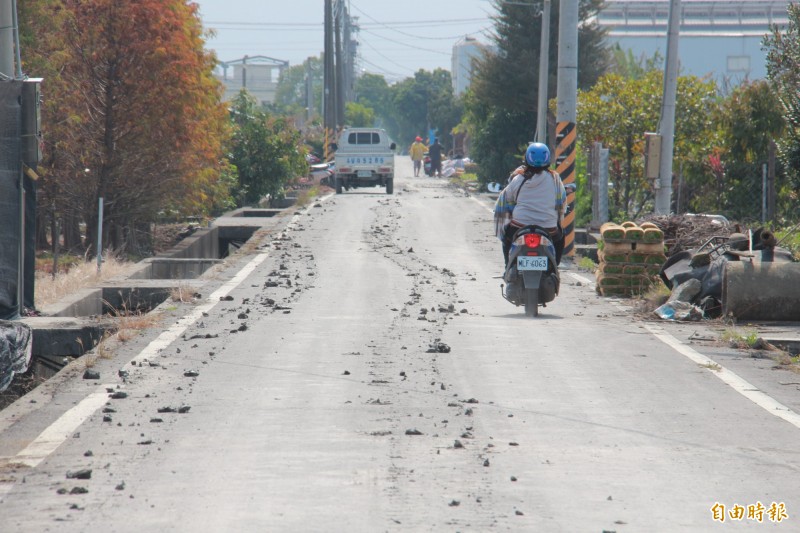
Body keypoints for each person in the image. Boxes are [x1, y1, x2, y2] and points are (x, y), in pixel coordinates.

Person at [494, 142, 567, 267]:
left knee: (506, 237)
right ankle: (555, 265)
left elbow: (508, 198)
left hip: (519, 226)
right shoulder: (555, 179)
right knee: (560, 238)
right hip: (548, 228)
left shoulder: (518, 179)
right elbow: (561, 202)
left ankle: (508, 266)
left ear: (527, 159)